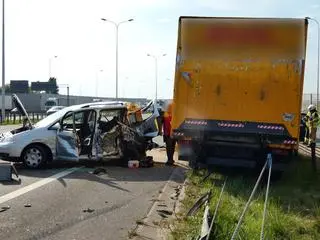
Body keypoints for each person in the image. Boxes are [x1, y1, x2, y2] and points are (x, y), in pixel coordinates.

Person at [163, 101, 176, 166]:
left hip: (168, 133)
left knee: (169, 147)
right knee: (172, 146)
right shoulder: (174, 114)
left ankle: (170, 160)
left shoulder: (166, 115)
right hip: (173, 132)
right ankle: (171, 159)